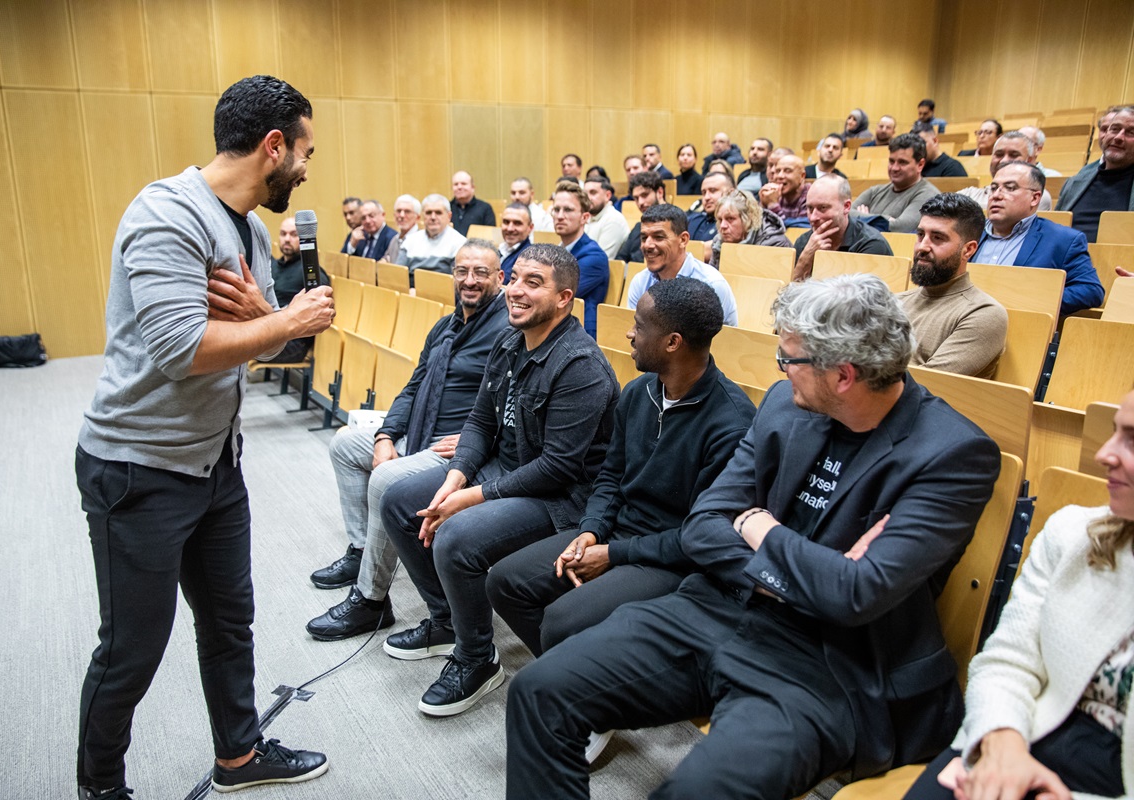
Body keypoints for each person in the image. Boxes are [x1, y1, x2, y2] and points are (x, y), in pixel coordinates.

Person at [505, 273, 1002, 800]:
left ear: (843, 375)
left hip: (827, 664)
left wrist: (757, 524)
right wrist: (801, 569)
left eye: (789, 360)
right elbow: (702, 527)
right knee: (540, 693)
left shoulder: (952, 454)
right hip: (713, 610)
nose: (781, 371)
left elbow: (854, 597)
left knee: (697, 792)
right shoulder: (786, 406)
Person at [74, 75, 332, 800]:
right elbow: (181, 348)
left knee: (229, 621)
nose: (308, 169)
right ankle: (99, 786)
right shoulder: (166, 214)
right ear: (273, 146)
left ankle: (240, 757)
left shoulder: (247, 228)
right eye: (306, 152)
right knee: (132, 648)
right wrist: (276, 320)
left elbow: (275, 345)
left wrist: (263, 317)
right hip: (139, 466)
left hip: (215, 463)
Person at [379, 243, 620, 717]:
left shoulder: (580, 365)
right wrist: (456, 476)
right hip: (504, 471)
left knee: (456, 539)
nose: (516, 291)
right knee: (398, 502)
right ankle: (448, 621)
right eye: (515, 279)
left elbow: (559, 467)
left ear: (564, 298)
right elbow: (481, 421)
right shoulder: (510, 341)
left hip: (560, 497)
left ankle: (477, 658)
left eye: (535, 283)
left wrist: (470, 497)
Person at [486, 277, 756, 658]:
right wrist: (592, 531)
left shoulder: (731, 423)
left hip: (672, 557)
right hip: (617, 533)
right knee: (505, 582)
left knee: (563, 622)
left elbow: (701, 538)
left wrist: (614, 555)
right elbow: (611, 474)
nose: (630, 334)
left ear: (672, 342)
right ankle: (575, 678)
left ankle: (582, 687)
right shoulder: (639, 392)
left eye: (640, 326)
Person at [902, 389, 1134, 800]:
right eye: (1115, 431)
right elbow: (1007, 661)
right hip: (1023, 729)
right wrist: (1000, 744)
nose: (1106, 454)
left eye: (1132, 440)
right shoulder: (1073, 533)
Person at [305, 240, 511, 642]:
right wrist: (385, 436)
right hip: (420, 429)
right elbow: (413, 386)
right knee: (346, 444)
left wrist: (477, 439)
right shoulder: (446, 325)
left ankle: (370, 601)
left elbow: (509, 407)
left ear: (499, 279)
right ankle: (363, 550)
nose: (470, 281)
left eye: (481, 273)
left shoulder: (506, 331)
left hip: (456, 451)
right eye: (462, 271)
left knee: (386, 480)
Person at [972, 161, 1104, 316]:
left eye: (1010, 188)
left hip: (1020, 328)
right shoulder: (969, 231)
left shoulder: (1063, 240)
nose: (996, 195)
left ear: (1034, 198)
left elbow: (1091, 290)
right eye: (993, 188)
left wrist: (1030, 301)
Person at [898, 194, 1007, 379]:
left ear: (969, 250)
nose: (922, 247)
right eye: (920, 234)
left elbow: (927, 385)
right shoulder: (895, 301)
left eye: (938, 237)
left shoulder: (984, 313)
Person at [626, 204, 738, 326]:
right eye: (643, 238)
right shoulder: (640, 282)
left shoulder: (712, 284)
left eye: (658, 237)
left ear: (683, 240)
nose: (647, 245)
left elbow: (727, 342)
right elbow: (636, 336)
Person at [793, 175, 894, 281]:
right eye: (809, 208)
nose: (813, 217)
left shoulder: (872, 245)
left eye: (822, 208)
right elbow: (789, 295)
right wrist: (804, 261)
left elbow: (862, 296)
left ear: (846, 207)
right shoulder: (805, 242)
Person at [1057, 105, 1134, 243]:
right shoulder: (1074, 182)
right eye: (1114, 129)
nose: (1118, 137)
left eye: (1131, 133)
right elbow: (1053, 229)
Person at [265, 216, 330, 363]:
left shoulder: (311, 271)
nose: (287, 239)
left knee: (241, 346)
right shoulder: (273, 266)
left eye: (294, 235)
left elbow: (320, 308)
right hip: (272, 332)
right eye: (283, 234)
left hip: (294, 343)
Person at [550, 180, 609, 338]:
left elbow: (553, 295)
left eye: (568, 210)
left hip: (579, 335)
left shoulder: (594, 257)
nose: (560, 216)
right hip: (556, 327)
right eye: (556, 209)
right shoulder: (556, 251)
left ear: (585, 217)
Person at [852, 133, 940, 232]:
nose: (894, 168)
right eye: (891, 161)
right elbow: (846, 214)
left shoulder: (929, 195)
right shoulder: (874, 191)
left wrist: (862, 218)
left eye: (902, 162)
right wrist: (885, 219)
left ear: (920, 164)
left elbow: (900, 227)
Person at [957, 132, 1052, 211]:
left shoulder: (1034, 196)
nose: (1004, 160)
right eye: (999, 154)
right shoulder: (969, 194)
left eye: (1014, 155)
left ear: (1030, 160)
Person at [708, 189, 792, 270]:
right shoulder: (718, 242)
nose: (723, 226)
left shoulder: (773, 243)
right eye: (720, 220)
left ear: (748, 219)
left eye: (730, 218)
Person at [395, 194, 467, 283]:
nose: (433, 217)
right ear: (422, 216)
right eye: (428, 213)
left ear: (449, 216)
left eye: (438, 213)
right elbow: (397, 276)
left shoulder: (460, 243)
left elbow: (457, 282)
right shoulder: (410, 240)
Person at [615, 170, 665, 263]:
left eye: (645, 195)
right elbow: (620, 259)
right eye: (636, 198)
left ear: (660, 192)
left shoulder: (676, 223)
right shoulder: (638, 227)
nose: (640, 202)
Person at [582, 176, 631, 258]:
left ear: (607, 196)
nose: (587, 198)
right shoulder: (587, 217)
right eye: (585, 193)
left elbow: (599, 260)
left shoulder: (614, 220)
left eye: (593, 193)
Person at [760, 154, 810, 222]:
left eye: (787, 171)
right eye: (777, 171)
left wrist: (773, 205)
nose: (780, 176)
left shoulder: (811, 195)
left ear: (802, 176)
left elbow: (798, 229)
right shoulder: (773, 194)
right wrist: (763, 204)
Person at [686, 171, 733, 243]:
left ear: (730, 192)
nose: (706, 197)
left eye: (713, 191)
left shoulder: (734, 224)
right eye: (704, 193)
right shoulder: (693, 220)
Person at [449, 170, 496, 235]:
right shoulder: (446, 208)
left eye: (463, 184)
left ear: (473, 187)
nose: (459, 187)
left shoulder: (485, 208)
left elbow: (490, 236)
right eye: (456, 184)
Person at [380, 194, 422, 263]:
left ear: (417, 218)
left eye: (407, 211)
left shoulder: (420, 241)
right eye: (399, 211)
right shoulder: (395, 239)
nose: (401, 215)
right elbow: (387, 258)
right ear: (394, 215)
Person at [499, 203, 534, 281]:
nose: (510, 228)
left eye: (517, 223)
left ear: (530, 228)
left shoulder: (530, 258)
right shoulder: (498, 250)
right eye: (506, 222)